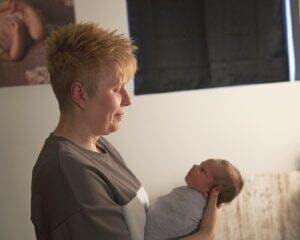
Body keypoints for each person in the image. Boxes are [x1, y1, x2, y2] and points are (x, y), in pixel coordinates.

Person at [31, 22, 221, 240]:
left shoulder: (98, 145)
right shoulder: (69, 176)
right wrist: (206, 233)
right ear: (80, 95)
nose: (128, 100)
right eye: (116, 89)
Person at [145, 159, 244, 240]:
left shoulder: (192, 202)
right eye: (200, 165)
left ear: (213, 190)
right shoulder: (201, 203)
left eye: (202, 170)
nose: (195, 166)